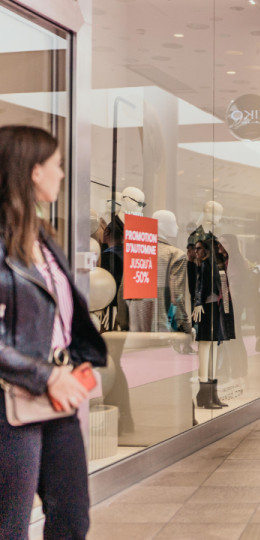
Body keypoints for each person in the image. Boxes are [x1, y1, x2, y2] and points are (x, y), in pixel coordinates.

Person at [0, 126, 108, 539]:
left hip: (57, 395)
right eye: (57, 165)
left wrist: (76, 360)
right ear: (32, 172)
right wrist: (45, 374)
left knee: (71, 517)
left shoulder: (44, 239)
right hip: (13, 401)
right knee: (10, 526)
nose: (62, 174)